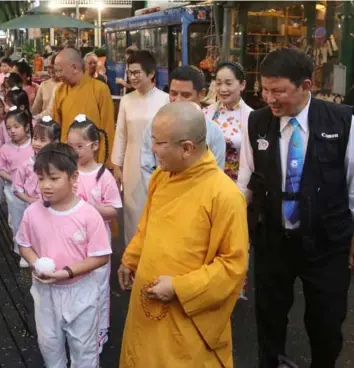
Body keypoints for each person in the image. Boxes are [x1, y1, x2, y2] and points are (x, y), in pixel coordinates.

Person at [237, 47, 354, 368]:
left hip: (328, 244)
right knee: (269, 322)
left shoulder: (343, 122)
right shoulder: (257, 123)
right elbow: (245, 182)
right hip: (274, 241)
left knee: (326, 325)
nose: (270, 98)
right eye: (265, 90)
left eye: (279, 91)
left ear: (306, 86)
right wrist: (233, 230)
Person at [118, 101, 249, 368]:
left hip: (186, 316)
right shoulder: (161, 177)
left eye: (159, 142)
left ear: (187, 148)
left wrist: (179, 288)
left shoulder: (224, 195)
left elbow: (233, 267)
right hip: (145, 308)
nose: (152, 149)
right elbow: (148, 226)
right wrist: (130, 258)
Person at [16, 142, 111, 368]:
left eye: (54, 178)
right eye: (40, 179)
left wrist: (66, 273)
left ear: (73, 176)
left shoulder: (89, 215)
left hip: (80, 292)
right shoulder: (32, 213)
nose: (46, 186)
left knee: (84, 351)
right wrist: (34, 262)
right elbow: (24, 245)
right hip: (45, 292)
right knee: (49, 346)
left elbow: (101, 256)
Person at [67, 114, 122, 353]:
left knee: (98, 284)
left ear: (95, 145)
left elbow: (115, 209)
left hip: (97, 240)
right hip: (71, 240)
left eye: (79, 146)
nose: (75, 151)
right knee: (76, 283)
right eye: (70, 146)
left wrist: (92, 209)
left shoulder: (104, 176)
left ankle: (100, 329)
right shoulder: (69, 172)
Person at [111, 50, 169, 245]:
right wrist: (116, 165)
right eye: (130, 73)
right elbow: (121, 133)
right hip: (132, 163)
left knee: (157, 210)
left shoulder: (165, 100)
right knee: (133, 212)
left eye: (137, 72)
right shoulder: (127, 100)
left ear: (151, 73)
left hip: (160, 164)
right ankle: (132, 261)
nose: (132, 77)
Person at [141, 65, 226, 189]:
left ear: (201, 94)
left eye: (186, 95)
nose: (178, 100)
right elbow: (147, 168)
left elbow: (216, 177)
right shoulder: (154, 126)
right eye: (173, 94)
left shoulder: (214, 133)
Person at [51, 48, 115, 164]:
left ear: (74, 68)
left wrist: (104, 162)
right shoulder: (59, 91)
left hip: (93, 160)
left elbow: (107, 128)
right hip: (68, 159)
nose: (57, 75)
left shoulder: (100, 89)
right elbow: (56, 129)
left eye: (60, 70)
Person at [13, 116, 61, 267]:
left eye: (43, 139)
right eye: (35, 138)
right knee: (33, 233)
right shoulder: (26, 164)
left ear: (55, 142)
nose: (37, 143)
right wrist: (30, 200)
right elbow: (17, 188)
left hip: (55, 209)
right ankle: (32, 257)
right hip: (33, 207)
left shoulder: (60, 166)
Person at [204, 61, 253, 182]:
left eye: (228, 83)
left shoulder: (252, 117)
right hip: (207, 181)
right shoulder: (205, 113)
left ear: (242, 85)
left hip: (236, 184)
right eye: (218, 83)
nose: (222, 89)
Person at [0, 107, 34, 257]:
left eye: (16, 127)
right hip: (13, 191)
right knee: (18, 219)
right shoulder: (5, 149)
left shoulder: (33, 145)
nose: (12, 131)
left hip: (34, 191)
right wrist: (14, 179)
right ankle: (20, 249)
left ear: (26, 126)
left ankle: (35, 247)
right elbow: (0, 169)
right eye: (9, 128)